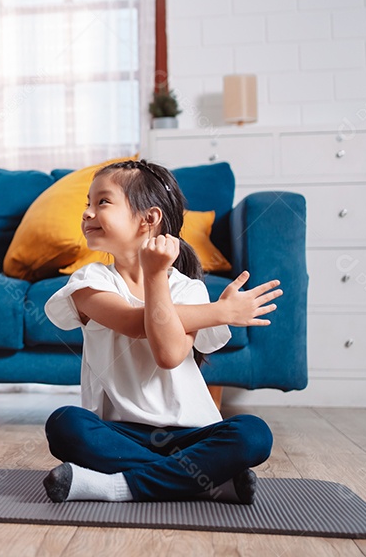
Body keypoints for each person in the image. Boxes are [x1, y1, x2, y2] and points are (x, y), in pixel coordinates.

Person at [42, 159, 279, 505]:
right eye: (87, 204)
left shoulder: (188, 289)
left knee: (254, 434)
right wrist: (220, 312)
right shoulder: (88, 282)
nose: (88, 213)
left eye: (102, 202)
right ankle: (204, 482)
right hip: (122, 433)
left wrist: (156, 277)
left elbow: (168, 354)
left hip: (193, 433)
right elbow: (137, 324)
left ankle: (116, 488)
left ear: (149, 219)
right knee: (64, 424)